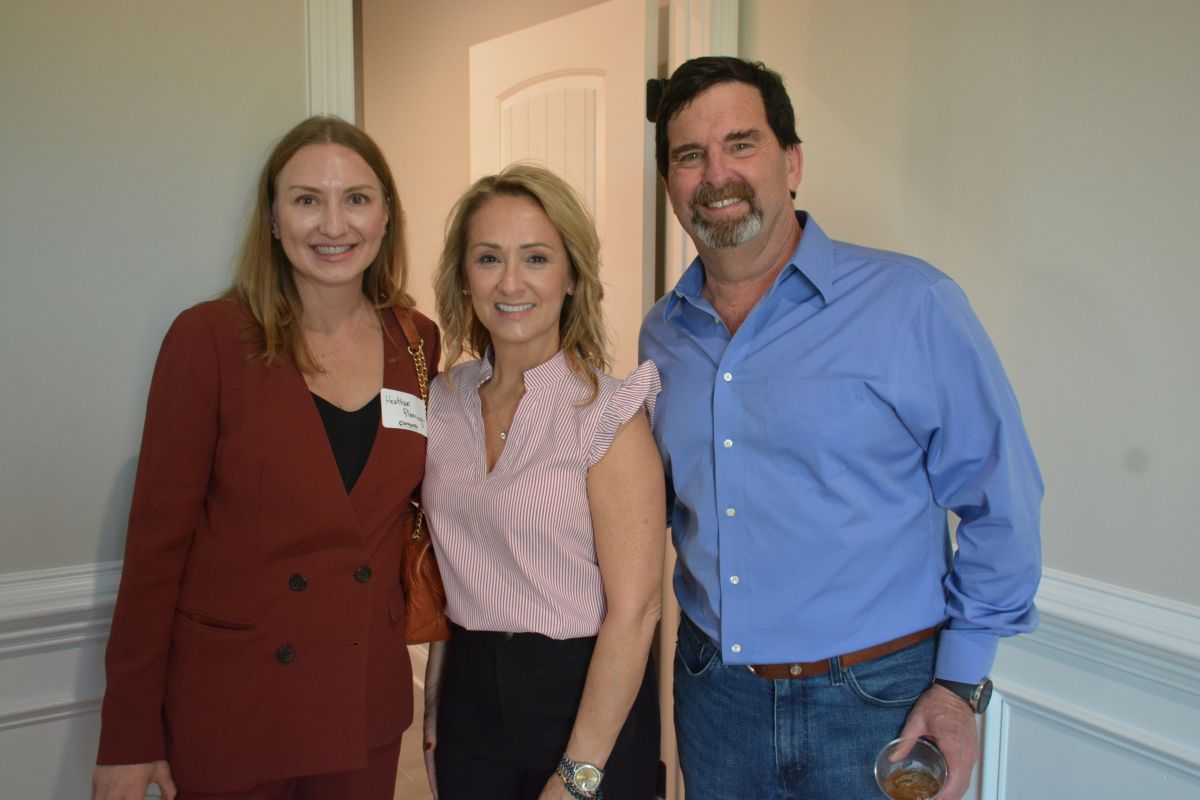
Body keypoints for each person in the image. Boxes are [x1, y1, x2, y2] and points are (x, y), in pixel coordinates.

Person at [639, 56, 1043, 800]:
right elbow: (656, 506)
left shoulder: (911, 303)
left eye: (740, 143)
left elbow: (1003, 502)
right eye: (689, 155)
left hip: (879, 704)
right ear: (669, 182)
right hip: (715, 699)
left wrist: (960, 685)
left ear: (791, 163)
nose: (715, 174)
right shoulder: (662, 336)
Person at [92, 116, 439, 800]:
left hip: (360, 702)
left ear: (386, 216)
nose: (333, 224)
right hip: (235, 708)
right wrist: (128, 735)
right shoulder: (210, 340)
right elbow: (155, 551)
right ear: (274, 219)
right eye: (307, 199)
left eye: (356, 198)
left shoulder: (417, 342)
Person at [420, 163, 665, 800]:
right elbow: (448, 564)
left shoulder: (608, 414)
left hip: (583, 697)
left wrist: (578, 774)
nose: (511, 282)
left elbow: (636, 612)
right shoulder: (440, 403)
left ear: (572, 275)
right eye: (488, 258)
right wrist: (437, 705)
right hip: (470, 698)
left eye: (536, 257)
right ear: (463, 276)